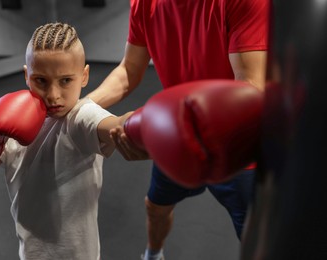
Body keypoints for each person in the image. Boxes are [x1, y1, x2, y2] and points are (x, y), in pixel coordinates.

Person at [86, 0, 269, 259]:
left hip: (235, 150)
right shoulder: (144, 4)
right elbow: (129, 69)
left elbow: (251, 86)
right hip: (177, 133)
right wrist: (81, 108)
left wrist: (183, 127)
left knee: (258, 237)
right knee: (155, 207)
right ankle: (153, 254)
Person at [0, 22, 133, 260]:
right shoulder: (13, 118)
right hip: (32, 251)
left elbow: (115, 124)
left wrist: (141, 124)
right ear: (27, 75)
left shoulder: (81, 116)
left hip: (78, 254)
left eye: (66, 80)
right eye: (41, 81)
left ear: (84, 76)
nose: (53, 95)